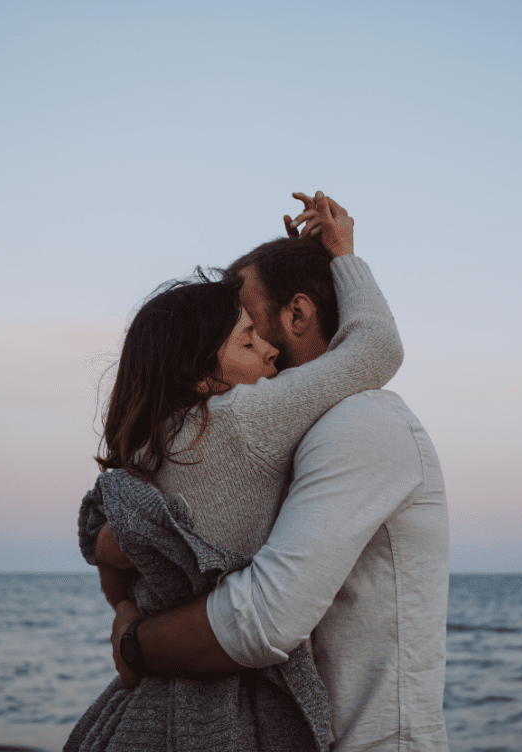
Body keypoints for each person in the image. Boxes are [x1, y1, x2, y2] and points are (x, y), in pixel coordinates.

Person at [100, 194, 451, 751]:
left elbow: (265, 615)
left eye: (245, 318)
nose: (251, 340)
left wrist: (134, 641)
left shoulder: (363, 419)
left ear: (297, 315)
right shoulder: (265, 430)